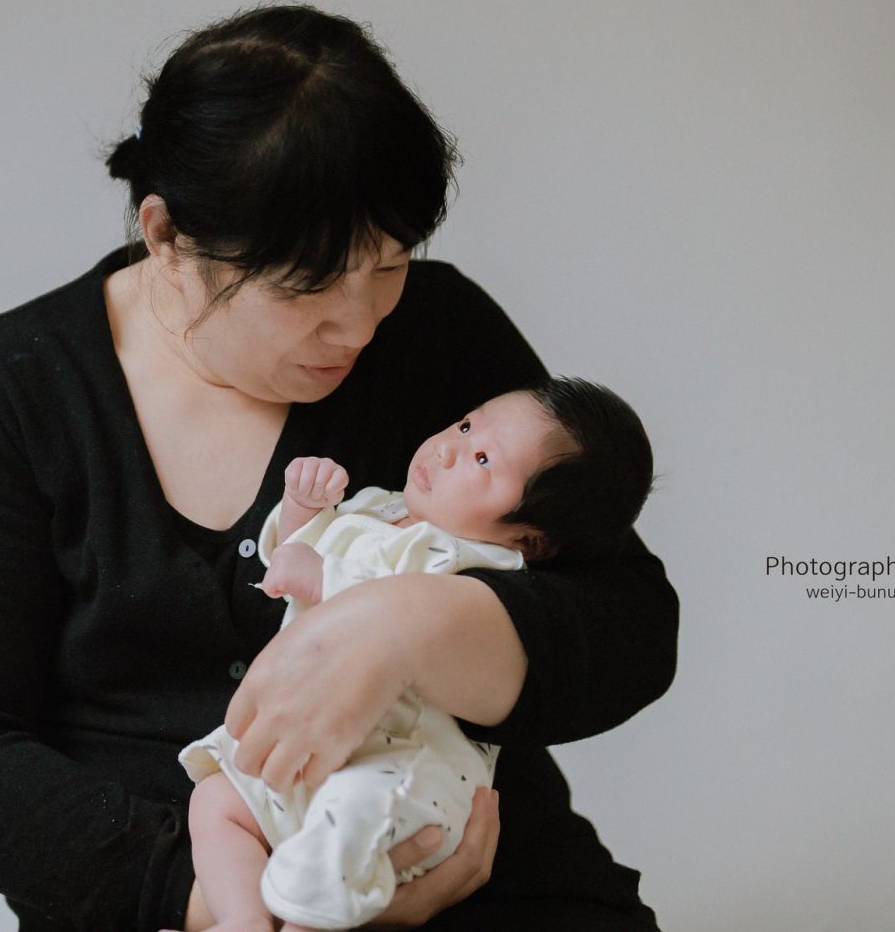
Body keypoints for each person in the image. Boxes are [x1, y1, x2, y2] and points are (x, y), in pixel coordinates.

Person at [0, 3, 679, 931]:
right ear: (167, 235)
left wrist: (410, 624)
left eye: (389, 264)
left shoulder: (438, 331)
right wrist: (231, 899)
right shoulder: (9, 389)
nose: (360, 324)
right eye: (306, 285)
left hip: (477, 878)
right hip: (174, 907)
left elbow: (633, 621)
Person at [178, 379, 656, 932]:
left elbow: (387, 605)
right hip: (307, 753)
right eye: (466, 424)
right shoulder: (378, 508)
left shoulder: (478, 561)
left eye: (482, 459)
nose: (448, 448)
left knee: (348, 830)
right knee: (217, 801)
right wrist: (302, 509)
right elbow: (297, 554)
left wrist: (324, 575)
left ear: (527, 539)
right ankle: (241, 919)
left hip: (402, 773)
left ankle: (305, 919)